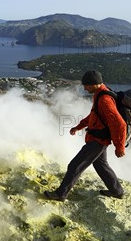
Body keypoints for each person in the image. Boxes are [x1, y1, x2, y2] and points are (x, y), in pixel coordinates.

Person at [44, 70, 126, 201]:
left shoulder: (105, 99)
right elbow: (94, 116)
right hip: (99, 139)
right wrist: (78, 127)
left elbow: (119, 124)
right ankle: (117, 191)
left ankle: (61, 194)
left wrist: (119, 146)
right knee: (101, 165)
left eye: (86, 85)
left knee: (75, 166)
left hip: (98, 141)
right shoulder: (100, 94)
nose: (84, 88)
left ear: (94, 84)